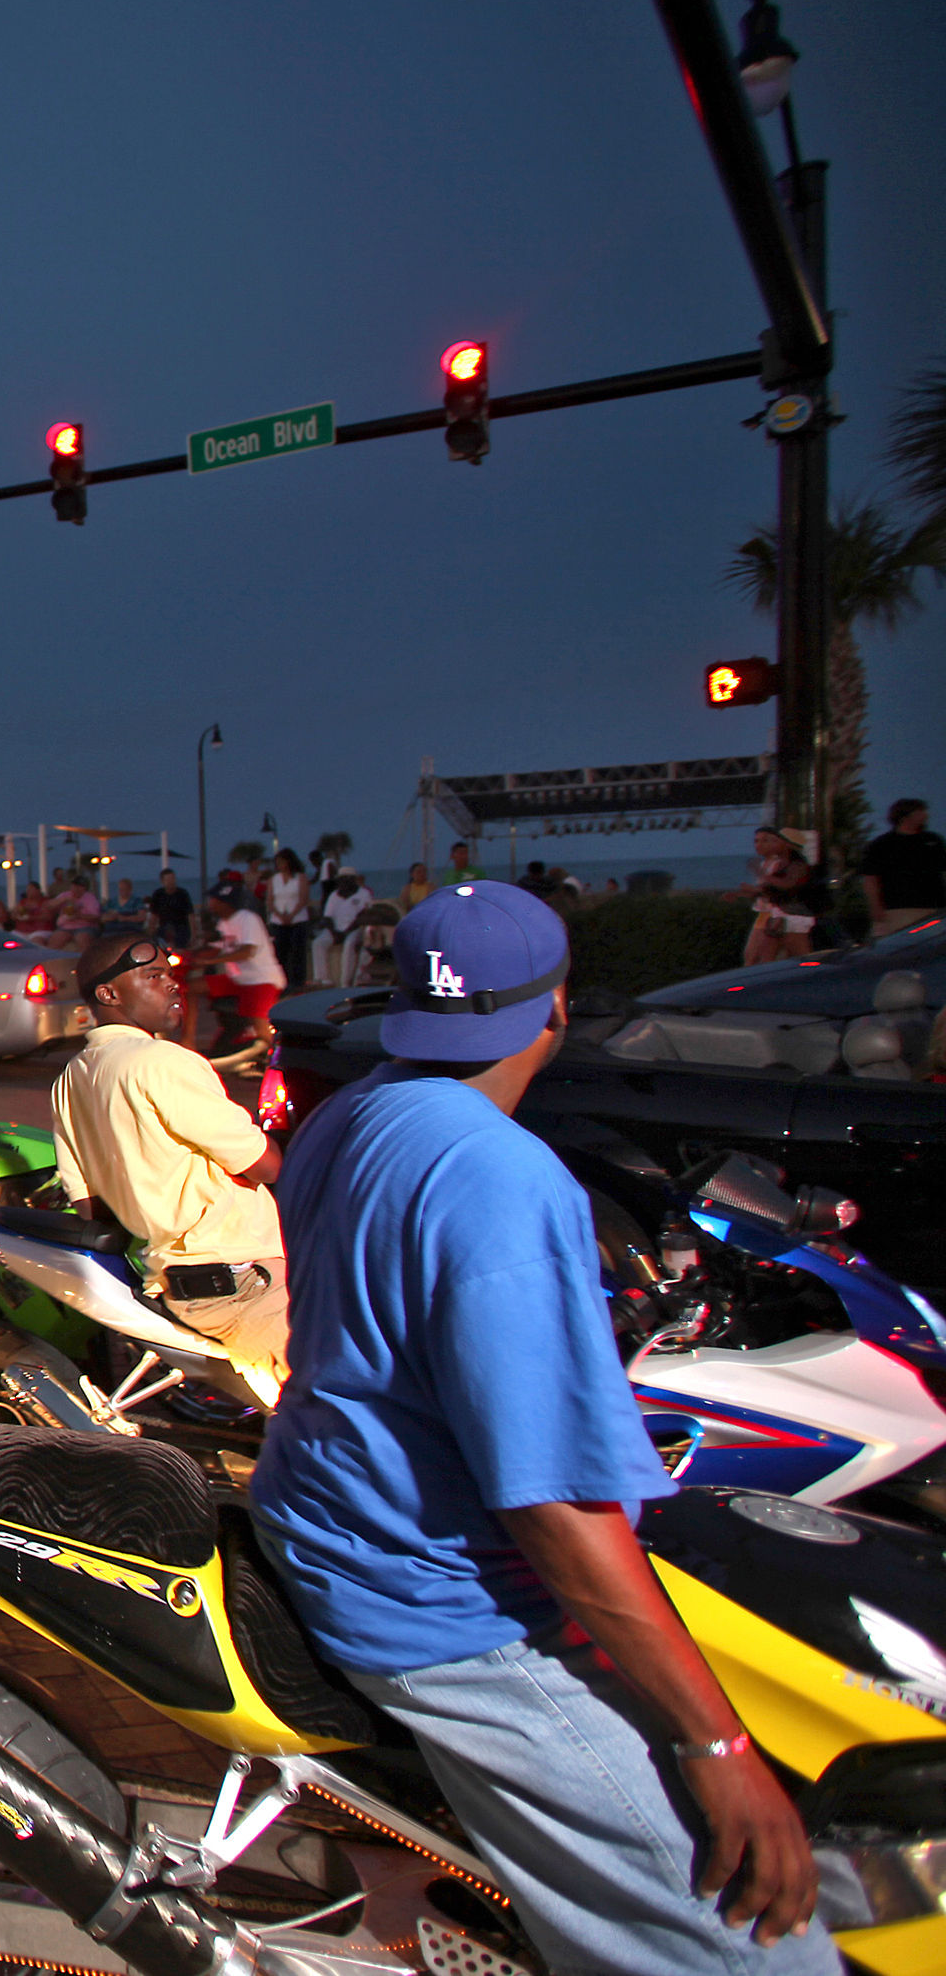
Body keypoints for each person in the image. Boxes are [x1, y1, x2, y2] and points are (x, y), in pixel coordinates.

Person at [252, 883, 826, 1973]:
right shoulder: (507, 1183)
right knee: (749, 1947)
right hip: (441, 1601)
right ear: (552, 1012)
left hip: (325, 1506)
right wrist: (715, 1744)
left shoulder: (347, 1114)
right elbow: (554, 1506)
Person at [51, 933, 287, 1390]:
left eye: (171, 975)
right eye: (153, 976)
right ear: (109, 994)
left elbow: (89, 1206)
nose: (173, 985)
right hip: (243, 1283)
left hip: (178, 1285)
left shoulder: (70, 1080)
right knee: (337, 1414)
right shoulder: (163, 1062)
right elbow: (266, 1165)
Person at [193, 886, 284, 1063]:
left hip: (261, 979)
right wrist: (194, 954)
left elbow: (246, 951)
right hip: (238, 979)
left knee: (261, 1027)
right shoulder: (223, 923)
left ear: (225, 903)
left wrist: (209, 962)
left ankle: (278, 1061)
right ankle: (188, 1040)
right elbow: (218, 947)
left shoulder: (248, 920)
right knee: (192, 987)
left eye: (214, 900)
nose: (210, 903)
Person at [730, 827, 817, 965]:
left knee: (798, 957)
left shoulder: (796, 865)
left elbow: (786, 885)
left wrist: (761, 877)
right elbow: (769, 889)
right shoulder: (781, 864)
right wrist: (744, 893)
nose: (770, 844)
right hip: (779, 915)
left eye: (773, 841)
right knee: (767, 957)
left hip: (790, 916)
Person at [863, 798, 943, 939]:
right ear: (907, 816)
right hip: (897, 911)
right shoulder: (882, 845)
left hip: (933, 910)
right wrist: (876, 908)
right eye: (921, 812)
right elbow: (870, 878)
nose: (926, 815)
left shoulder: (933, 841)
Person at [263, 850, 314, 990]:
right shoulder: (274, 879)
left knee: (298, 953)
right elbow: (270, 901)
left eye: (282, 862)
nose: (279, 865)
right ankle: (282, 983)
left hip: (297, 920)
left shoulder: (300, 878)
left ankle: (298, 983)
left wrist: (291, 915)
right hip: (279, 921)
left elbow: (303, 898)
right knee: (280, 952)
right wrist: (280, 915)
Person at [319, 870, 372, 986]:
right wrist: (334, 933)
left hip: (355, 929)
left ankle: (345, 982)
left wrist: (346, 932)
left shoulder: (364, 894)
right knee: (318, 943)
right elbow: (327, 917)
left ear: (353, 880)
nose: (342, 883)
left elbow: (363, 916)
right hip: (336, 930)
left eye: (345, 880)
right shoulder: (334, 895)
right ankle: (323, 980)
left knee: (349, 945)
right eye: (340, 880)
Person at [145, 868, 195, 952]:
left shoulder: (182, 894)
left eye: (172, 878)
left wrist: (194, 934)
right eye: (168, 879)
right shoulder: (158, 894)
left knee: (180, 942)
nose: (171, 881)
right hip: (164, 927)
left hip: (181, 927)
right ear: (162, 881)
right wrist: (151, 931)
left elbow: (190, 915)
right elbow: (153, 915)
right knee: (159, 943)